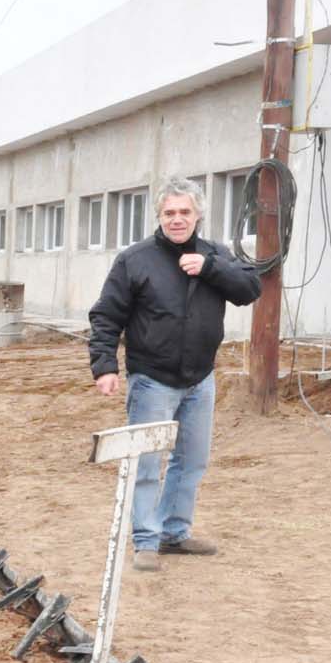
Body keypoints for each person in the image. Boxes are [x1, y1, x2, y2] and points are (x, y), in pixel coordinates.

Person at [88, 176, 261, 571]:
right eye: (170, 213)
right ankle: (146, 541)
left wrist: (210, 268)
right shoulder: (136, 259)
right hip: (152, 380)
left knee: (191, 460)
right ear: (159, 216)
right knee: (147, 462)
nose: (177, 219)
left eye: (185, 212)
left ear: (198, 215)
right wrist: (104, 366)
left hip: (200, 379)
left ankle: (173, 534)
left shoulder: (215, 256)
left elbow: (250, 289)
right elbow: (106, 315)